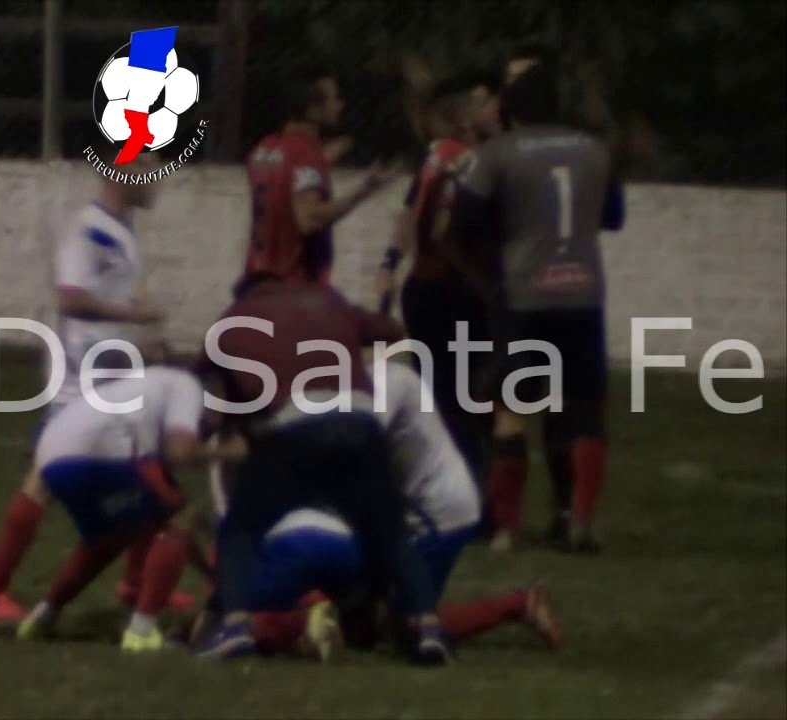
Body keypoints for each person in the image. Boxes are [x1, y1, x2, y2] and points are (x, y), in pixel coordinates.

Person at [0, 151, 194, 623]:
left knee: (149, 465)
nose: (157, 179)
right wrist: (136, 317)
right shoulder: (87, 231)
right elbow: (71, 300)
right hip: (82, 376)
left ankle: (136, 583)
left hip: (112, 372)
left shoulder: (120, 232)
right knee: (44, 479)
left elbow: (119, 295)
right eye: (149, 169)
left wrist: (149, 342)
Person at [218, 361, 560, 659]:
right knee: (374, 620)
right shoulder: (349, 386)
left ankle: (513, 606)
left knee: (396, 626)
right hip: (408, 507)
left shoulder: (379, 383)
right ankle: (516, 605)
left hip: (433, 513)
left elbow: (352, 455)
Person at [192, 277, 451, 665]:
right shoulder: (329, 302)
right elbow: (392, 331)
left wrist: (203, 438)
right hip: (359, 421)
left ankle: (235, 626)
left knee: (241, 529)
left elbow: (214, 397)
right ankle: (428, 628)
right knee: (391, 530)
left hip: (292, 427)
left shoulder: (232, 321)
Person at [449, 63, 625, 554]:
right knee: (583, 408)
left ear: (510, 109)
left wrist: (489, 273)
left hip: (523, 292)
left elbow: (464, 222)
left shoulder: (498, 153)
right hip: (583, 294)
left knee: (511, 409)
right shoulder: (595, 150)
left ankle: (507, 529)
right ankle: (579, 521)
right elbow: (613, 217)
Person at [15, 366, 247, 652]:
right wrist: (229, 452)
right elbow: (181, 453)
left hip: (51, 454)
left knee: (113, 536)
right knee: (180, 518)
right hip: (102, 450)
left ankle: (43, 615)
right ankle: (141, 631)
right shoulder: (187, 387)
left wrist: (211, 574)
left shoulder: (152, 387)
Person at [374, 71, 503, 488]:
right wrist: (483, 283)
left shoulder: (437, 155)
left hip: (427, 289)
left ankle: (432, 483)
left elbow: (409, 212)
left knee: (440, 396)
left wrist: (390, 263)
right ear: (465, 116)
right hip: (453, 292)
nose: (495, 108)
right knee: (466, 400)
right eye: (485, 102)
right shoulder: (466, 162)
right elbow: (441, 229)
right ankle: (462, 489)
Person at [242, 63, 392, 289]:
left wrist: (335, 151)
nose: (340, 105)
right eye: (334, 99)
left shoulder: (264, 149)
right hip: (294, 285)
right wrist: (364, 191)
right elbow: (309, 219)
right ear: (312, 110)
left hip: (255, 281)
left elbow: (290, 176)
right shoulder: (305, 155)